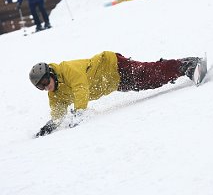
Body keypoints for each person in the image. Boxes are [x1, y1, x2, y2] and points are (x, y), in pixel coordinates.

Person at [29, 51, 202, 137]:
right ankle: (181, 67)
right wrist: (52, 125)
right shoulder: (55, 93)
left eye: (45, 82)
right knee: (150, 81)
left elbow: (80, 88)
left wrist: (79, 112)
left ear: (50, 73)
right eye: (41, 87)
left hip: (112, 65)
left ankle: (186, 65)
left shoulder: (67, 69)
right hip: (113, 82)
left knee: (148, 74)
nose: (46, 87)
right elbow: (58, 110)